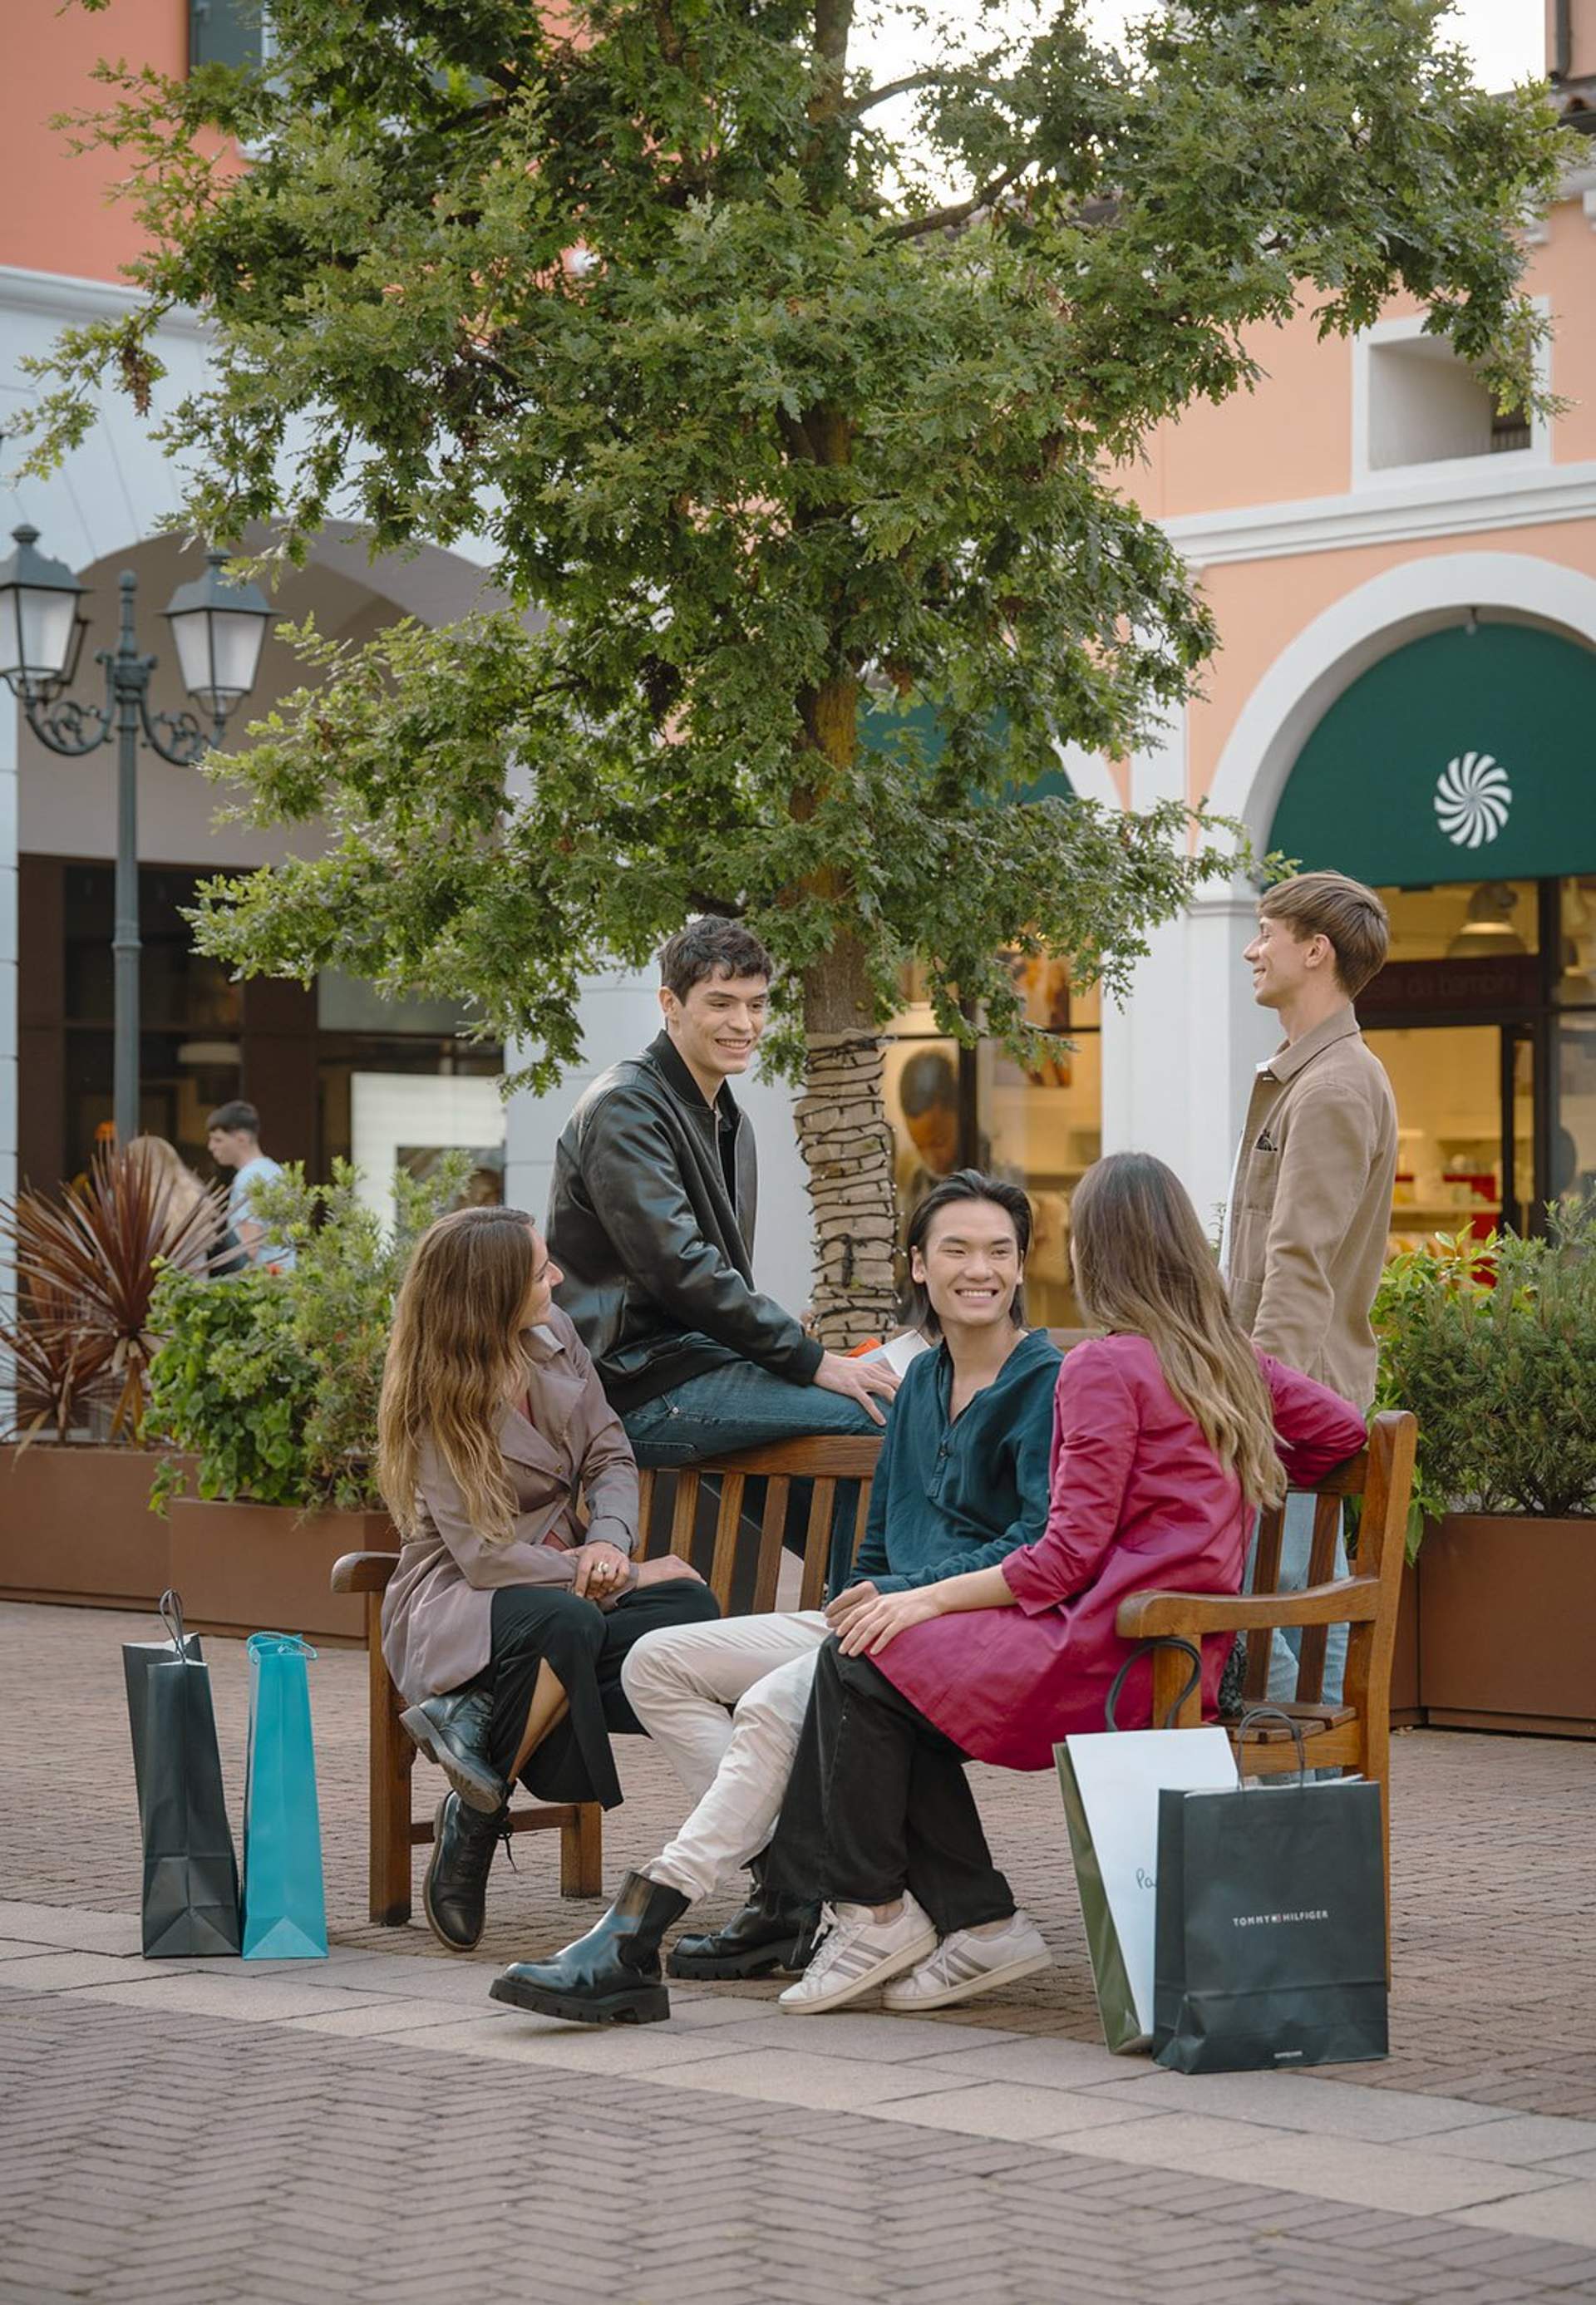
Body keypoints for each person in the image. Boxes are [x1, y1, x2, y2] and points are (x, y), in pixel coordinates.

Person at [760, 1152, 1368, 2017]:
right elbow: (1347, 1435)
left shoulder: (1102, 1367)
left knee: (869, 1659)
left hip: (1114, 1655)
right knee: (888, 1668)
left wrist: (924, 1596)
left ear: (1101, 1253)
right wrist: (1239, 1455)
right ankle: (973, 1922)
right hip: (1187, 1649)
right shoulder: (1229, 1363)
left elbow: (1062, 1559)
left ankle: (882, 1913)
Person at [488, 1173, 1062, 2027]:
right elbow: (878, 1538)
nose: (978, 1269)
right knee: (658, 1663)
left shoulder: (1047, 1383)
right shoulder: (913, 1383)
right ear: (918, 1264)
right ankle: (797, 1881)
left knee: (767, 1705)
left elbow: (1034, 1538)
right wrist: (854, 1595)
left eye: (998, 1252)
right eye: (957, 1249)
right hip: (881, 1615)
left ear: (1020, 1269)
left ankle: (640, 1929)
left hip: (964, 1626)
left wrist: (895, 1599)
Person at [376, 1206, 721, 1954]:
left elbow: (611, 1453)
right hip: (461, 1600)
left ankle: (476, 1761)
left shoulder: (554, 1335)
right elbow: (482, 1557)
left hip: (565, 1581)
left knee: (688, 1606)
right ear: (490, 1293)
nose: (556, 1278)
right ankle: (476, 1824)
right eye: (539, 1272)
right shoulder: (440, 1396)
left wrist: (610, 1541)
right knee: (574, 1624)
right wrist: (605, 1572)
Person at [545, 918, 898, 1465]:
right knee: (876, 1414)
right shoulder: (627, 1109)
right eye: (721, 1003)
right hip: (633, 1384)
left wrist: (803, 1354)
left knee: (896, 1393)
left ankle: (858, 1558)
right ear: (670, 1002)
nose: (744, 1023)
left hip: (696, 1366)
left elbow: (710, 1278)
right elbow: (682, 1268)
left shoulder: (730, 1122)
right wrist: (810, 1359)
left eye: (756, 1004)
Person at [1229, 871, 1397, 1702]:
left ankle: (1320, 1793)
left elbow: (1299, 1266)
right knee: (1294, 1596)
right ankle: (1323, 1798)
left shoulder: (1331, 1086)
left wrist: (1258, 1407)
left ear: (1315, 949)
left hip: (1291, 1404)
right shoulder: (1313, 1077)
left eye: (1266, 931)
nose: (1253, 949)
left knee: (1285, 1600)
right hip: (1292, 1395)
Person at [205, 1100, 294, 1272]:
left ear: (242, 1139)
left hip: (263, 1283)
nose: (211, 1147)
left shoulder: (249, 1178)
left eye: (218, 1140)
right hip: (285, 1276)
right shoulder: (274, 1170)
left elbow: (250, 1248)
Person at [126, 1135, 230, 1274]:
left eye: (125, 1163)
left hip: (156, 1291)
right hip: (194, 1288)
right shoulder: (194, 1199)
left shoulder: (141, 1208)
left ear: (138, 1168)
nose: (121, 1169)